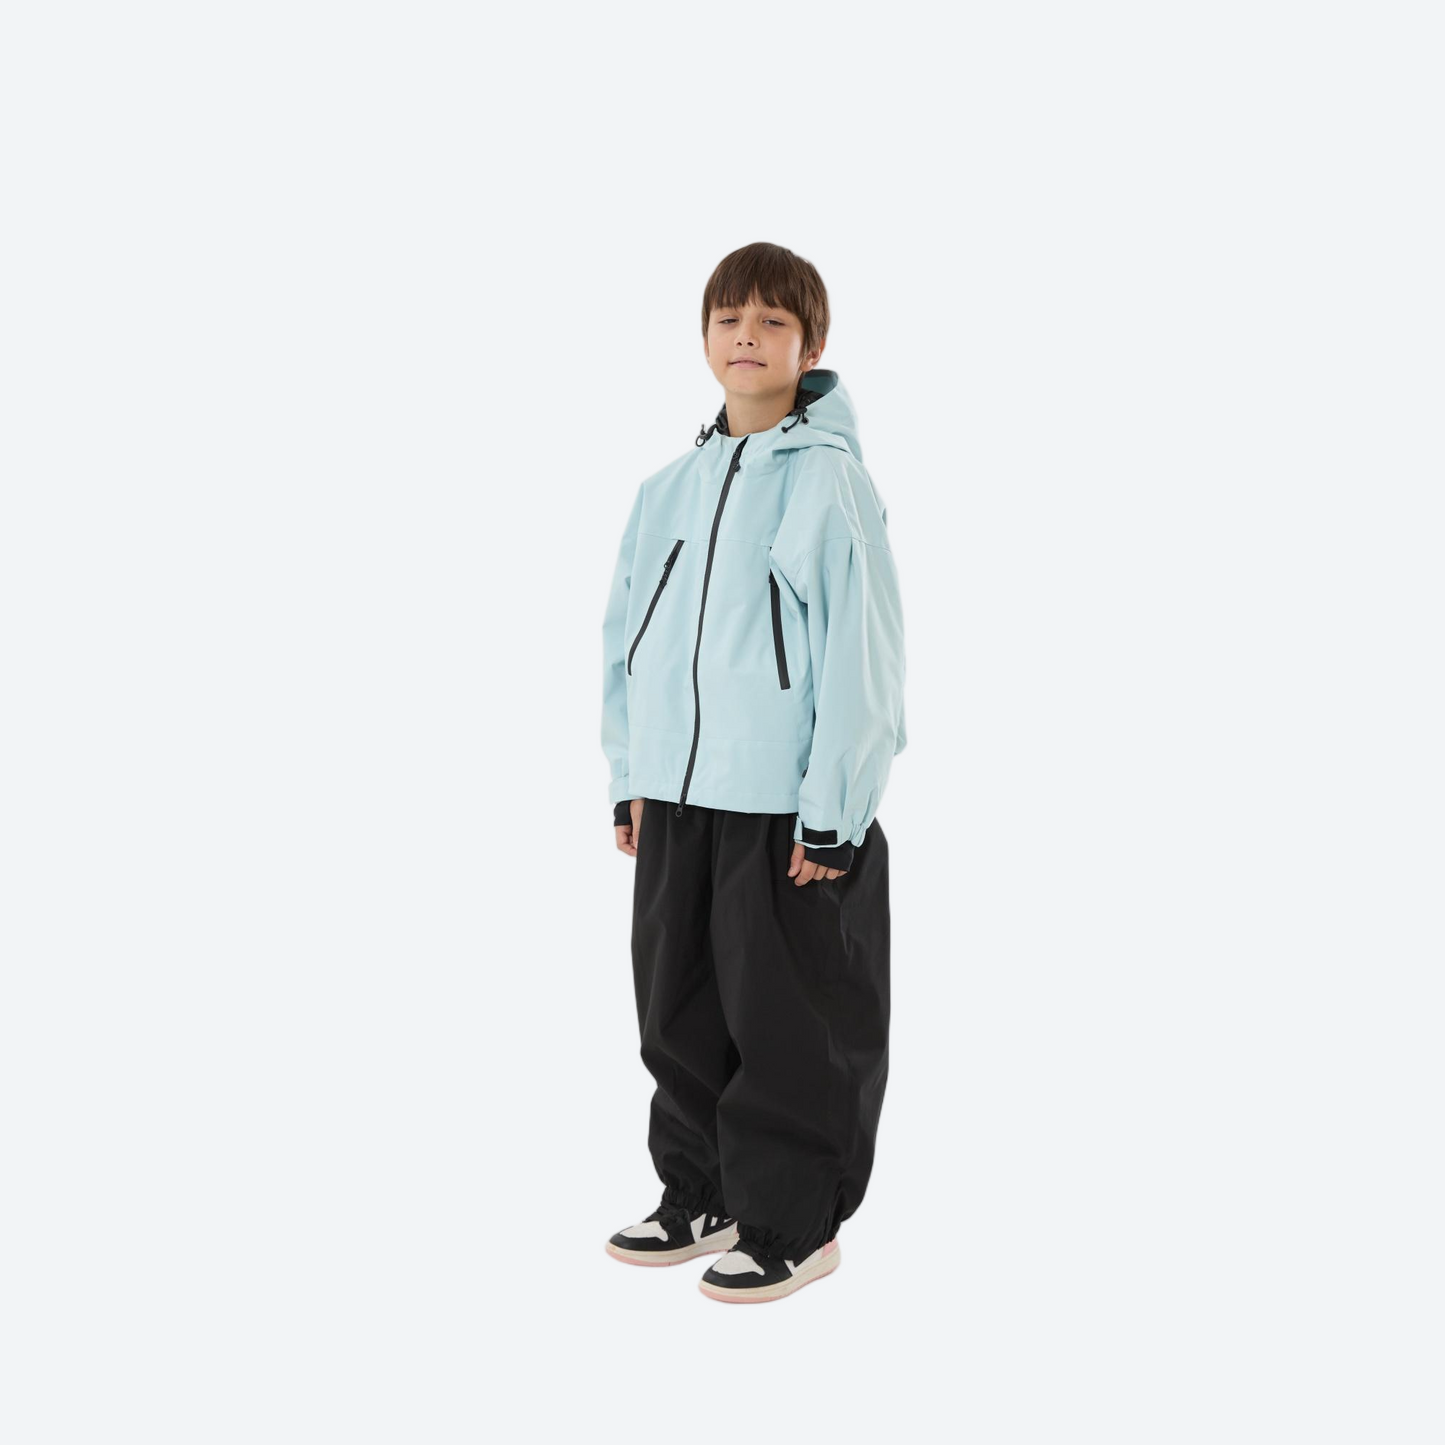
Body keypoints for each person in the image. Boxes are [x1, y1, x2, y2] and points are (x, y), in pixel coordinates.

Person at [598, 241, 907, 1303]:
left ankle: (793, 1222)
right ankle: (700, 1191)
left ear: (809, 348)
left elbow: (862, 656)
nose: (747, 337)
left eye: (773, 321)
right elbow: (624, 642)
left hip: (783, 805)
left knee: (787, 1022)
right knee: (676, 1008)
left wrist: (833, 812)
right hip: (679, 798)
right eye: (729, 318)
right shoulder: (666, 490)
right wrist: (630, 773)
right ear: (703, 338)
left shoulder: (828, 483)